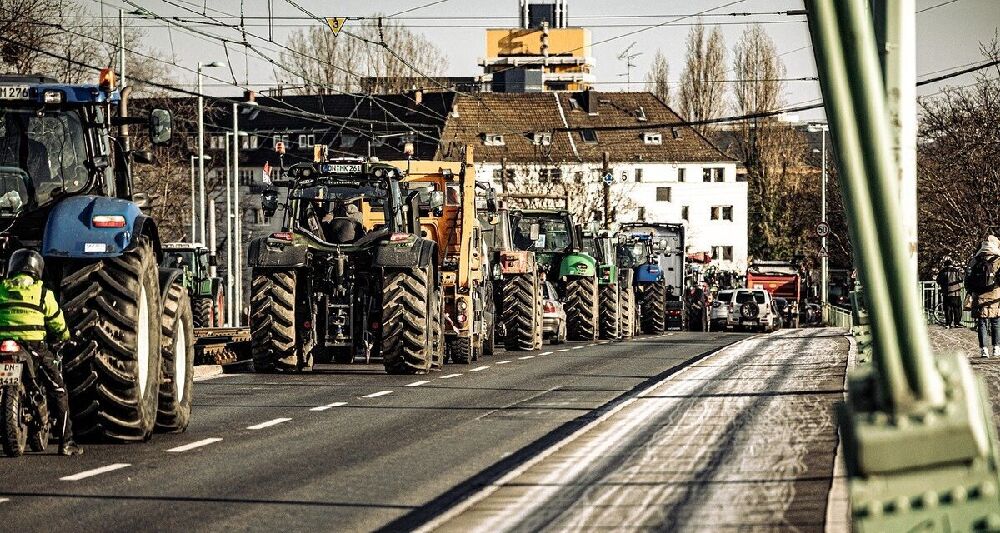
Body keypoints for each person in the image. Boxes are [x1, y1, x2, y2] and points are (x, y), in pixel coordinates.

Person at [0, 249, 82, 455]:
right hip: (33, 347)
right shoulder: (42, 291)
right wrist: (65, 336)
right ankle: (66, 443)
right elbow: (56, 320)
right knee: (58, 389)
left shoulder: (1, 287)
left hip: (4, 344)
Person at [966, 235, 1000, 358]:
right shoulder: (998, 260)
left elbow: (967, 279)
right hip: (995, 294)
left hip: (978, 295)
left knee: (982, 323)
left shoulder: (975, 260)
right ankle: (996, 348)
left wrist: (970, 291)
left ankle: (983, 350)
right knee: (995, 321)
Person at [936, 255, 964, 328]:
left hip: (946, 293)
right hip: (956, 292)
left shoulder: (942, 271)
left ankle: (948, 323)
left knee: (947, 308)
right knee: (957, 308)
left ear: (945, 265)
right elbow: (961, 278)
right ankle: (957, 323)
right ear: (952, 264)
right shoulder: (956, 271)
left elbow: (938, 281)